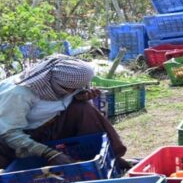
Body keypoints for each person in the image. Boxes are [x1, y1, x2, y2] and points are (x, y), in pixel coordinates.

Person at [0, 55, 128, 169]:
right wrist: (49, 153)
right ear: (51, 81)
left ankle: (111, 157)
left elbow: (71, 95)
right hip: (15, 138)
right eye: (69, 89)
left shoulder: (65, 83)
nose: (72, 92)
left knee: (83, 108)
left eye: (77, 88)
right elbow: (10, 133)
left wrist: (81, 95)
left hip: (50, 126)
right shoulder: (18, 93)